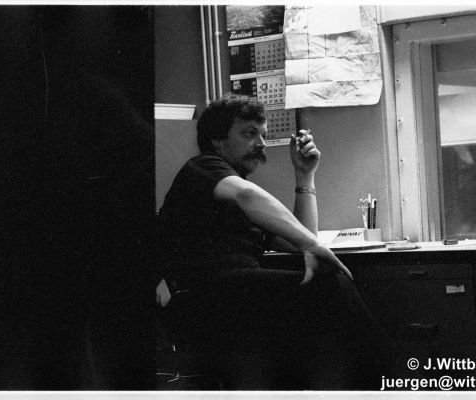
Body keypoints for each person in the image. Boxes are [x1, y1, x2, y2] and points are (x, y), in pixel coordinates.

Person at [156, 98, 392, 390]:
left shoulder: (232, 188)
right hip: (209, 293)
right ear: (217, 140)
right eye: (249, 133)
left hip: (230, 293)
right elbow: (250, 197)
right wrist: (312, 246)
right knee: (332, 288)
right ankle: (382, 386)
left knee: (320, 304)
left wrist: (305, 175)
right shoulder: (204, 167)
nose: (261, 143)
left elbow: (302, 236)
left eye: (263, 135)